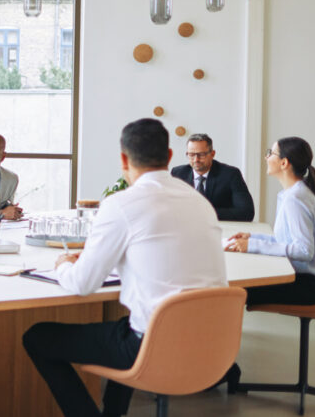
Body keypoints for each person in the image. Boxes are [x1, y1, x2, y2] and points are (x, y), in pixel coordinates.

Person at [23, 118, 227, 417]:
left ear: (123, 159)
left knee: (38, 337)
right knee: (130, 321)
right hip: (212, 344)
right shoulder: (200, 203)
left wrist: (64, 265)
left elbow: (82, 285)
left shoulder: (121, 204)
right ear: (170, 157)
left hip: (152, 346)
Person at [225, 137, 315, 306]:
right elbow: (286, 240)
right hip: (311, 279)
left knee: (229, 291)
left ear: (284, 163)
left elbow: (304, 250)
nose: (266, 157)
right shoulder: (293, 193)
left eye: (270, 153)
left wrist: (253, 246)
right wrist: (252, 239)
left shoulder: (295, 198)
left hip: (311, 285)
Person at [171, 133, 255, 221]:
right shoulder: (178, 173)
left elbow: (247, 212)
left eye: (201, 154)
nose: (196, 160)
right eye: (191, 155)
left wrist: (204, 213)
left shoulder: (231, 174)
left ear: (212, 154)